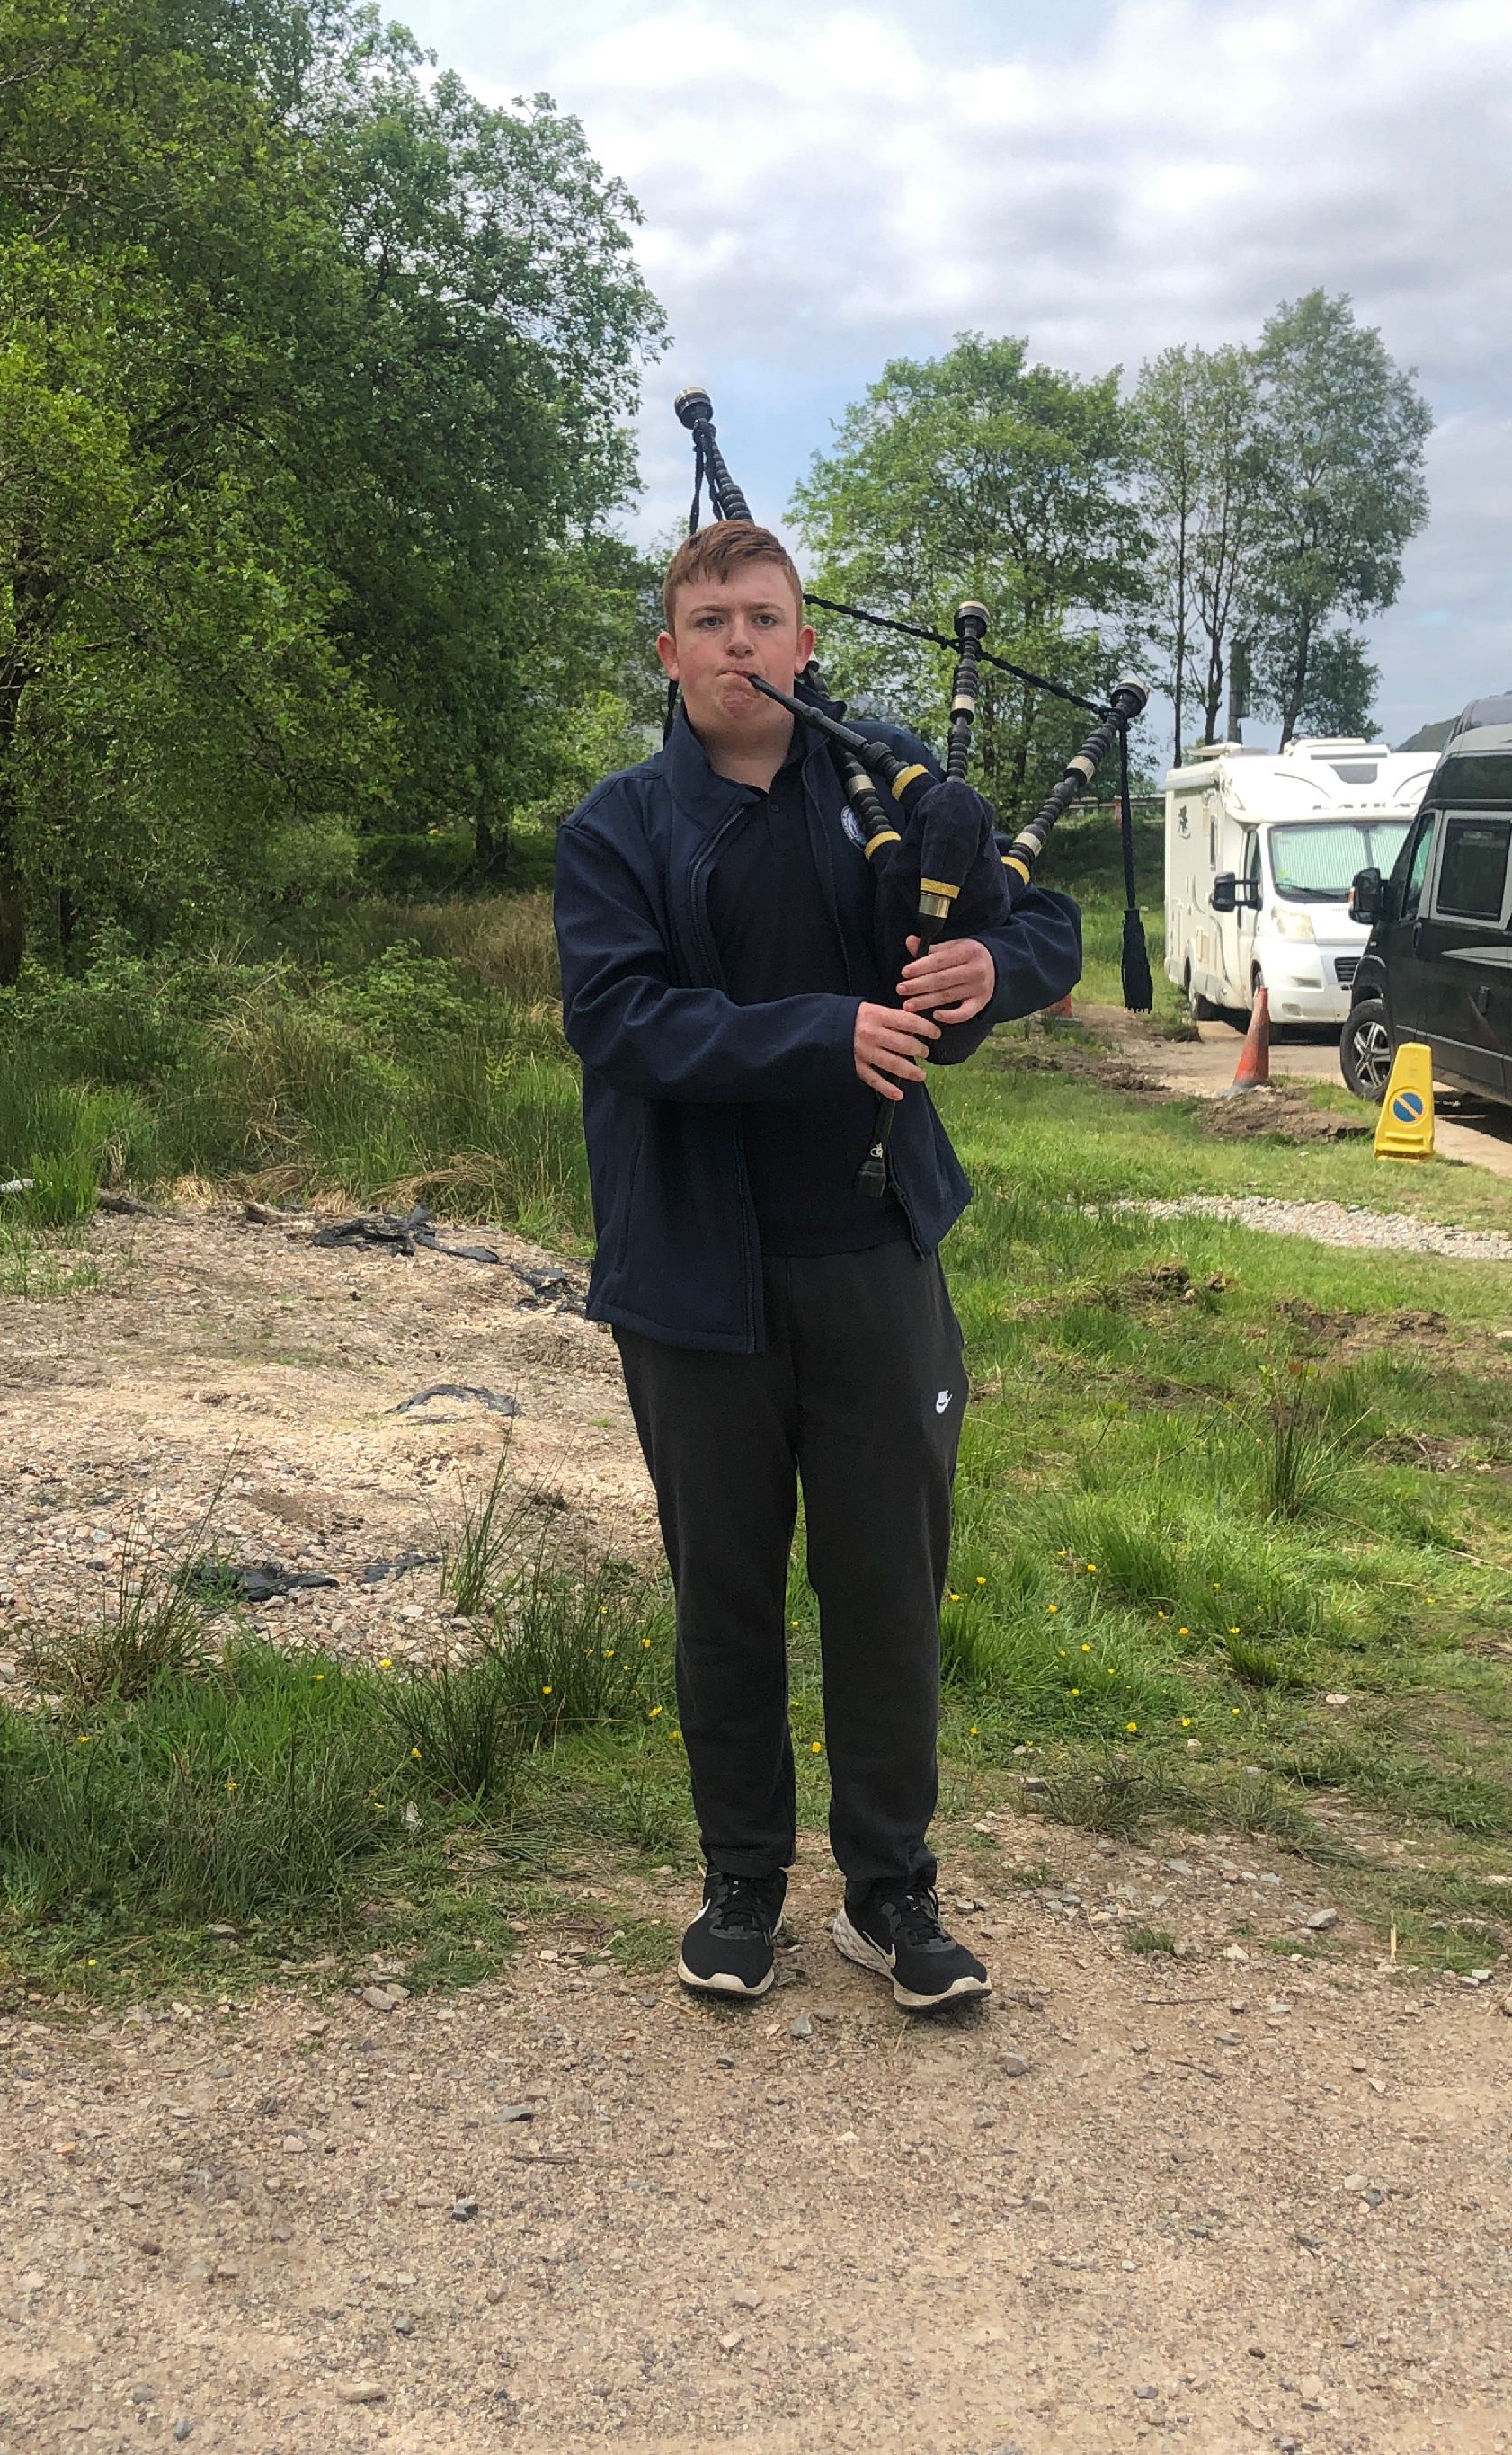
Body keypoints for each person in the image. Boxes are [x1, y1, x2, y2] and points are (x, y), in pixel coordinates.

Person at [552, 520, 1081, 2012]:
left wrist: (993, 970)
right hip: (693, 1274)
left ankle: (890, 1890)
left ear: (804, 644)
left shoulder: (887, 792)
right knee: (723, 1589)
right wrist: (821, 1033)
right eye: (711, 619)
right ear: (670, 653)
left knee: (886, 1583)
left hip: (873, 1252)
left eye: (764, 618)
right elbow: (620, 1020)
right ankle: (741, 1881)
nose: (739, 642)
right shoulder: (617, 829)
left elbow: (1041, 921)